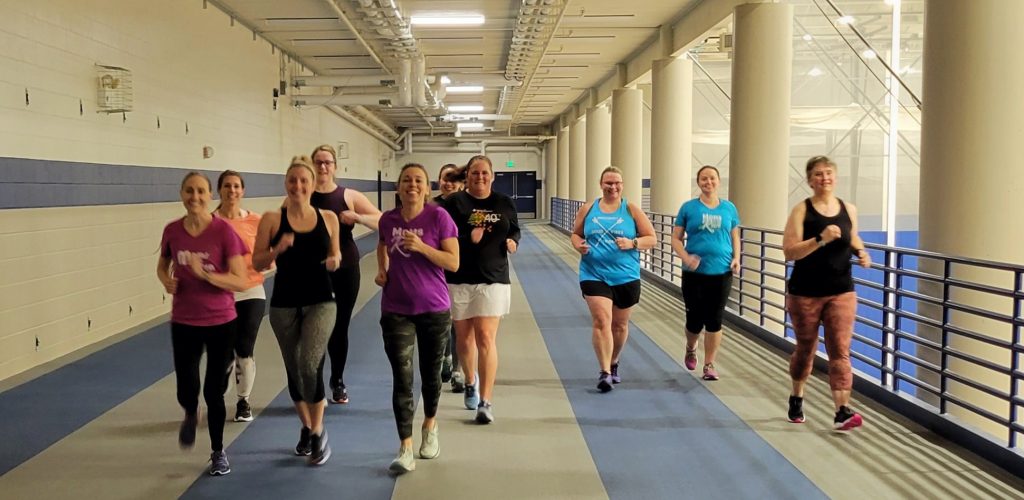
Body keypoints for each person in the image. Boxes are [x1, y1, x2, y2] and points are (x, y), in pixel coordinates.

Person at [157, 171, 249, 476]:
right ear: (182, 194)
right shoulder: (172, 231)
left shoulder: (224, 232)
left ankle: (218, 451)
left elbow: (239, 279)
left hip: (221, 321)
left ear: (210, 195)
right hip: (184, 319)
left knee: (214, 392)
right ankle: (188, 411)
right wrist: (165, 280)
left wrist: (206, 274)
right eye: (189, 191)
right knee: (186, 387)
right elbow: (163, 263)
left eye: (200, 191)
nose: (194, 197)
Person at [254, 156, 342, 464]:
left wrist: (334, 261)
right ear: (286, 184)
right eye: (293, 180)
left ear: (313, 184)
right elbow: (257, 262)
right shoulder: (271, 219)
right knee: (293, 369)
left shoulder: (328, 217)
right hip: (284, 301)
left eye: (304, 181)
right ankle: (306, 427)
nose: (298, 186)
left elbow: (336, 255)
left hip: (321, 299)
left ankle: (318, 432)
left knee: (309, 364)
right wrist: (277, 249)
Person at [375, 163, 460, 474]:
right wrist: (381, 270)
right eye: (406, 180)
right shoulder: (389, 220)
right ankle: (405, 447)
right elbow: (382, 245)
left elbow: (453, 262)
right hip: (396, 309)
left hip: (434, 308)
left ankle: (430, 425)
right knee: (402, 377)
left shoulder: (439, 217)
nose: (412, 185)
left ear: (427, 189)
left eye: (418, 181)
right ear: (398, 187)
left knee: (431, 375)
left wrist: (422, 247)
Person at [782, 155, 871, 431]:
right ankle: (797, 396)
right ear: (810, 180)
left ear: (836, 177)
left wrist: (861, 251)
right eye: (818, 174)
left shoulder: (848, 209)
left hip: (841, 290)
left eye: (829, 173)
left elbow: (852, 235)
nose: (825, 178)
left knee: (840, 351)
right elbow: (789, 252)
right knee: (806, 348)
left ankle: (841, 410)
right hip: (805, 292)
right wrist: (820, 239)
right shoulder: (801, 210)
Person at [440, 155, 520, 424]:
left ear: (492, 176)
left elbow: (515, 229)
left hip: (493, 277)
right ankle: (470, 381)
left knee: (485, 337)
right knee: (464, 340)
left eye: (485, 173)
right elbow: (443, 237)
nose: (480, 177)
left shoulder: (504, 203)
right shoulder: (454, 203)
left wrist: (512, 241)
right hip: (459, 276)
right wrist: (467, 238)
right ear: (468, 176)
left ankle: (485, 402)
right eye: (475, 173)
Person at [570, 166, 656, 392]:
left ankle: (614, 361)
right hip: (593, 273)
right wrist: (578, 244)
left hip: (625, 275)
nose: (613, 187)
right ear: (601, 185)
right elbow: (576, 233)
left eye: (617, 183)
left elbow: (652, 239)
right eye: (608, 183)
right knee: (601, 320)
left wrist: (633, 243)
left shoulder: (631, 210)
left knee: (619, 324)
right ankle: (604, 371)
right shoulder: (589, 209)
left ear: (622, 185)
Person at [310, 144, 382, 405]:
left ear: (335, 166)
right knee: (315, 328)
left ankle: (337, 381)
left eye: (327, 162)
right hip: (314, 270)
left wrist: (358, 218)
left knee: (339, 327)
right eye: (318, 162)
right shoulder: (303, 196)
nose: (323, 167)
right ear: (312, 165)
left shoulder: (348, 195)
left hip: (346, 267)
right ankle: (314, 383)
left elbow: (382, 220)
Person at [670, 166, 741, 381]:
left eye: (712, 178)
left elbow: (735, 235)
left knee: (715, 319)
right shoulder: (688, 208)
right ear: (698, 182)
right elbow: (676, 238)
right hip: (694, 274)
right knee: (694, 319)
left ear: (718, 181)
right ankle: (691, 347)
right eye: (703, 178)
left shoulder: (729, 208)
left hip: (722, 272)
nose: (708, 182)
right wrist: (686, 257)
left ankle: (709, 364)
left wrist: (737, 257)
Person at [214, 170, 266, 422]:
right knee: (223, 353)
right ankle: (218, 397)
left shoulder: (255, 221)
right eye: (227, 186)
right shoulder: (209, 222)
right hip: (220, 294)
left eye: (236, 186)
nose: (232, 190)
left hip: (251, 290)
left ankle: (243, 401)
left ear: (242, 191)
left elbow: (264, 254)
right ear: (219, 190)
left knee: (244, 348)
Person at [433, 163, 465, 393]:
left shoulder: (468, 206)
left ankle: (457, 370)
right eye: (445, 178)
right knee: (442, 320)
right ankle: (444, 356)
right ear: (438, 180)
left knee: (458, 322)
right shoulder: (431, 206)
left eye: (454, 179)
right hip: (435, 271)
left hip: (462, 270)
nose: (449, 183)